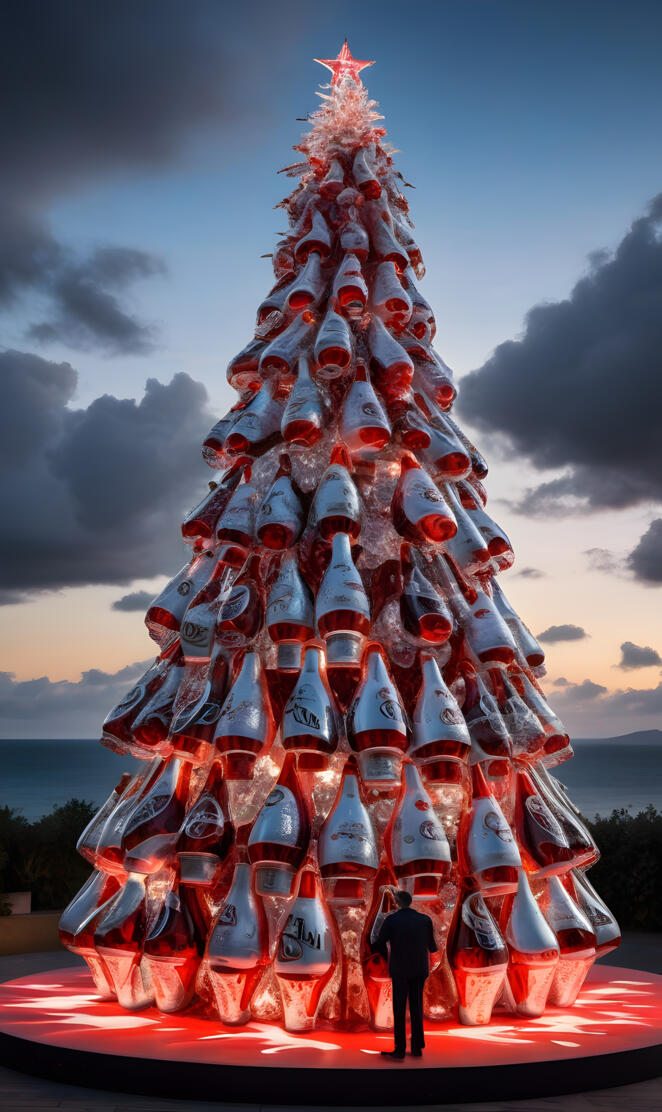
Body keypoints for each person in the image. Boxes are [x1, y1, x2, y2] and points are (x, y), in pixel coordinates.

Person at [372, 887, 438, 1060]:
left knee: (399, 1009)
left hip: (400, 969)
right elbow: (432, 946)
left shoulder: (391, 920)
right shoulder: (425, 919)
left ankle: (400, 1049)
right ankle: (417, 1047)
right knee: (417, 1007)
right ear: (410, 902)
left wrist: (383, 955)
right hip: (420, 968)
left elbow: (379, 942)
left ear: (397, 903)